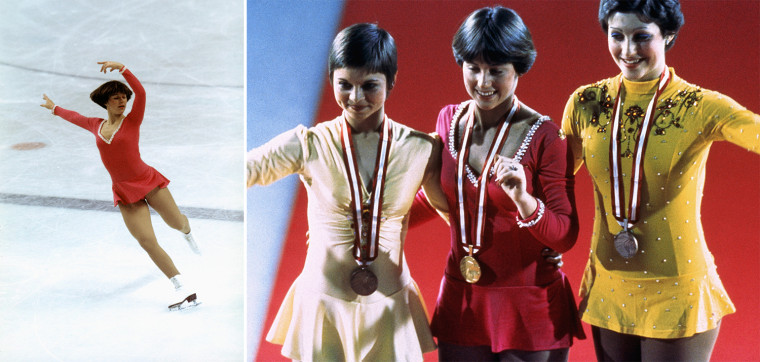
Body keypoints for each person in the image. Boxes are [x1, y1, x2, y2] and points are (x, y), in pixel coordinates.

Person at [561, 0, 760, 360]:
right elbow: (552, 178)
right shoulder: (586, 103)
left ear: (668, 35)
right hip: (609, 285)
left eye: (642, 37)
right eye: (616, 35)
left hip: (677, 291)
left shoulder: (700, 105)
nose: (628, 50)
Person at [246, 23, 447, 361]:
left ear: (391, 81)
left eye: (370, 86)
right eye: (345, 85)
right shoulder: (308, 144)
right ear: (331, 80)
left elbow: (462, 218)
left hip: (390, 307)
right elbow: (245, 169)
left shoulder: (422, 148)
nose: (356, 98)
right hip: (322, 303)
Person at [412, 6, 585, 361]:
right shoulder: (448, 120)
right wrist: (361, 224)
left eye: (497, 71)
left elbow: (565, 233)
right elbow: (437, 197)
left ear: (519, 68)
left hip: (530, 307)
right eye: (473, 68)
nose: (483, 82)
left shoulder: (546, 137)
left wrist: (524, 199)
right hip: (463, 299)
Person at [40, 61, 201, 311]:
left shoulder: (133, 120)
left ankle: (187, 230)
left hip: (149, 183)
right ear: (106, 102)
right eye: (116, 98)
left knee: (175, 222)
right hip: (125, 192)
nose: (122, 101)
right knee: (146, 240)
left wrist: (124, 69)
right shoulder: (96, 125)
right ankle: (182, 286)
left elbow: (143, 93)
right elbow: (77, 118)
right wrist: (55, 108)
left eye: (124, 97)